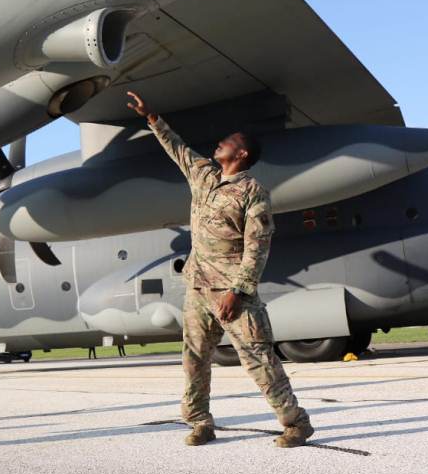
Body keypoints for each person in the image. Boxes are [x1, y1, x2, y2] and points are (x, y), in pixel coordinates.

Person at [128, 91, 314, 448]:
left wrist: (239, 291)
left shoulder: (252, 192)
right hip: (198, 288)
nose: (219, 144)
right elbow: (177, 148)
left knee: (258, 359)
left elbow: (258, 246)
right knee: (194, 358)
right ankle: (199, 422)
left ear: (241, 154)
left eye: (227, 143)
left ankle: (296, 423)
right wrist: (152, 118)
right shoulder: (203, 176)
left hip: (233, 292)